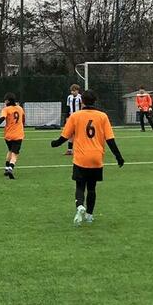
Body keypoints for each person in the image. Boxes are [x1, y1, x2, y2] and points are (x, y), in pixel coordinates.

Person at [51, 89, 125, 225]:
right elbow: (110, 140)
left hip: (81, 158)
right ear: (95, 101)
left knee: (80, 186)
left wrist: (55, 143)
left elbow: (65, 136)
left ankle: (80, 206)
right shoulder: (102, 116)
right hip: (96, 158)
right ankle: (89, 215)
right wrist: (118, 157)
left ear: (82, 102)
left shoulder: (75, 116)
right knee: (92, 188)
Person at [0, 93, 25, 180]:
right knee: (15, 153)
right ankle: (10, 168)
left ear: (8, 101)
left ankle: (6, 167)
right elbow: (23, 119)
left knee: (10, 150)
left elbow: (2, 118)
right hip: (18, 135)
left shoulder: (6, 109)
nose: (4, 102)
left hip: (8, 135)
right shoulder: (20, 108)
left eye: (5, 100)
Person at [64, 84, 83, 156]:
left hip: (79, 118)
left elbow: (82, 107)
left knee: (79, 133)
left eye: (74, 91)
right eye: (71, 91)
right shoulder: (69, 97)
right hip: (72, 118)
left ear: (77, 91)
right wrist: (67, 117)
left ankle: (81, 149)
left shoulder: (81, 97)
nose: (72, 92)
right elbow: (68, 108)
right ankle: (69, 150)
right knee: (70, 133)